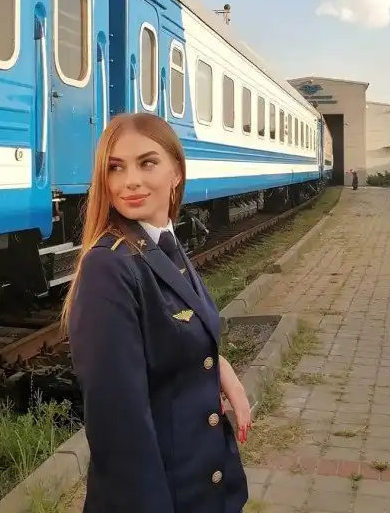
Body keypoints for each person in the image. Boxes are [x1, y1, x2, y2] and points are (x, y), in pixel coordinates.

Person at [61, 112, 251, 513]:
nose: (130, 180)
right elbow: (119, 429)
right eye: (116, 168)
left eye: (147, 163)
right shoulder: (108, 267)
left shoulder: (163, 243)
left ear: (176, 172)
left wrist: (219, 366)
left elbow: (169, 336)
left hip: (202, 488)